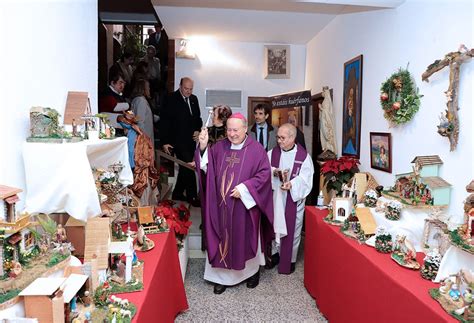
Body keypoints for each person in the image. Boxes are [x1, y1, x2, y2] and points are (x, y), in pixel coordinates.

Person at [195, 113, 274, 294]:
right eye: (229, 130)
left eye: (236, 130)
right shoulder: (219, 147)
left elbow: (264, 175)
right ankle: (221, 278)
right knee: (222, 238)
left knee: (244, 238)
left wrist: (246, 189)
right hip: (221, 207)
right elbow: (206, 167)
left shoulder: (257, 150)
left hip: (244, 208)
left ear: (245, 129)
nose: (232, 134)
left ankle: (252, 273)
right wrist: (203, 146)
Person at [267, 123, 314, 274]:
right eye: (278, 137)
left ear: (292, 138)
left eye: (283, 138)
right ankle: (275, 254)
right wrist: (274, 172)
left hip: (292, 199)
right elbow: (263, 171)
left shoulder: (303, 157)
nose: (279, 141)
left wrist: (292, 184)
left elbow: (306, 179)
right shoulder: (271, 153)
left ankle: (290, 259)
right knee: (274, 226)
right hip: (275, 197)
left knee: (292, 230)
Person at [161, 77, 202, 206]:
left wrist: (197, 130)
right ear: (180, 86)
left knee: (185, 166)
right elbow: (164, 121)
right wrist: (164, 141)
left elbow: (197, 118)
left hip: (191, 141)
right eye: (186, 88)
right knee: (189, 166)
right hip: (176, 140)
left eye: (191, 89)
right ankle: (193, 197)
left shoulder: (194, 99)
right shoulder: (171, 98)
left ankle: (177, 193)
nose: (188, 91)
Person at [130, 79, 155, 150]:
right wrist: (143, 140)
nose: (149, 89)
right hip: (144, 139)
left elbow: (139, 116)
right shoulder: (141, 101)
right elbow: (140, 121)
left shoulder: (137, 100)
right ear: (143, 88)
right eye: (148, 87)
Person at [147, 22, 168, 88]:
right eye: (155, 28)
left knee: (161, 74)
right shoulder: (152, 36)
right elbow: (149, 46)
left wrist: (167, 63)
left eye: (158, 27)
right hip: (153, 59)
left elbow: (167, 48)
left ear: (160, 28)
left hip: (162, 59)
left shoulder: (165, 35)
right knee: (153, 74)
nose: (157, 29)